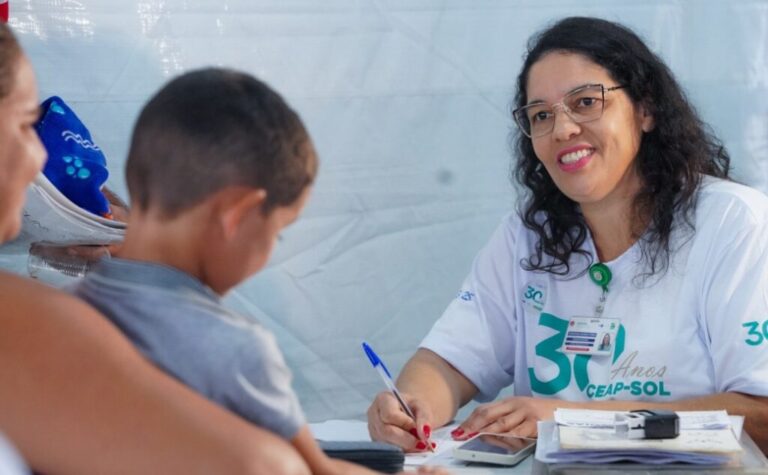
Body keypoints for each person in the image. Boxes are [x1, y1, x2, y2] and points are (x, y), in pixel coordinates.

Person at [367, 16, 768, 453]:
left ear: (646, 109)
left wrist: (574, 422)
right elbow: (449, 361)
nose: (562, 130)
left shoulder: (735, 224)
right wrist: (413, 406)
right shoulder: (528, 235)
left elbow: (762, 416)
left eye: (586, 102)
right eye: (541, 115)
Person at [71, 67, 443, 475]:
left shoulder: (63, 316)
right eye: (277, 233)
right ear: (238, 215)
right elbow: (313, 469)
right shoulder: (233, 349)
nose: (270, 252)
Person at [0, 21, 311, 475]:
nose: (40, 157)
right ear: (237, 213)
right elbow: (271, 466)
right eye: (26, 125)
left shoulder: (67, 309)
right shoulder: (36, 318)